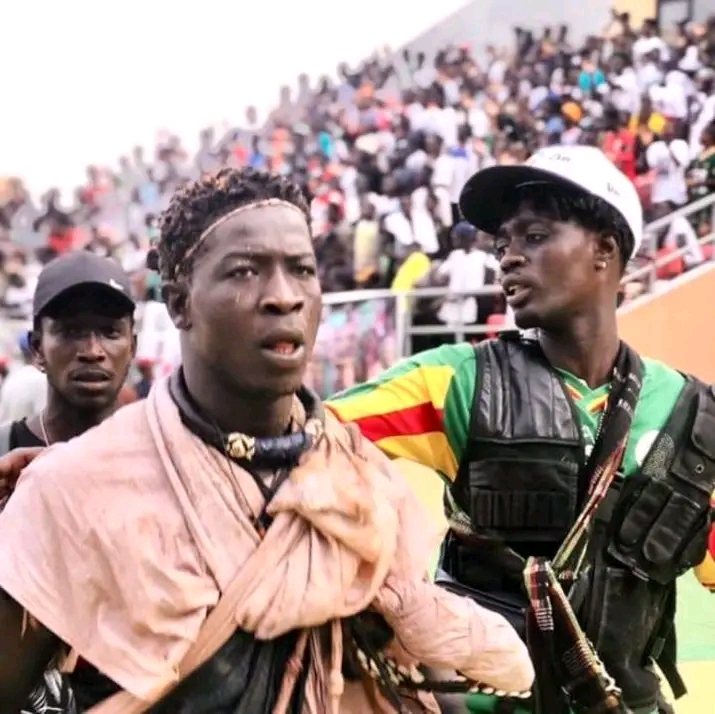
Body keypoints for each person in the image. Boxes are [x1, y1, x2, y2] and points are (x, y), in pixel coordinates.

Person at [0, 168, 534, 714]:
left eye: (302, 270)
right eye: (244, 271)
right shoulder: (70, 490)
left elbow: (418, 673)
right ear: (181, 303)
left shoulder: (361, 475)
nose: (284, 297)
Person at [327, 146, 715, 714]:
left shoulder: (694, 418)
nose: (507, 258)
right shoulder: (457, 383)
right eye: (502, 244)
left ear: (605, 249)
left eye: (534, 236)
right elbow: (305, 438)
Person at [0, 251, 138, 714]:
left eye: (110, 331)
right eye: (72, 331)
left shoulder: (160, 463)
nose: (93, 350)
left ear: (132, 348)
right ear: (38, 348)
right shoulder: (5, 455)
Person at [0, 333, 46, 424]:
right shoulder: (40, 380)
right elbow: (44, 422)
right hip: (28, 437)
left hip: (10, 435)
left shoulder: (11, 379)